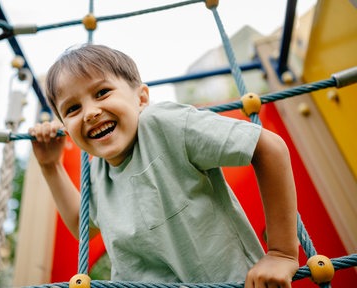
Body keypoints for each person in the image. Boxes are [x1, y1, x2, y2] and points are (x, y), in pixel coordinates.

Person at [29, 44, 299, 287]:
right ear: (65, 126)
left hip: (232, 282)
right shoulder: (98, 170)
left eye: (102, 92)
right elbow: (83, 226)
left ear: (142, 99)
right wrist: (50, 167)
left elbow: (268, 147)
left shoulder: (162, 124)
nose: (90, 112)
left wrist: (281, 253)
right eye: (72, 109)